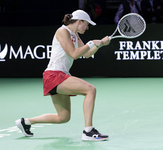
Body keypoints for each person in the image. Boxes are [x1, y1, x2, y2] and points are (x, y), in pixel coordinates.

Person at [15, 9, 110, 141]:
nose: (87, 27)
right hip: (54, 75)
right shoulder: (62, 31)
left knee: (63, 117)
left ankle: (25, 122)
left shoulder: (75, 35)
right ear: (79, 21)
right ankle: (88, 131)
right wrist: (92, 42)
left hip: (59, 75)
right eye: (86, 24)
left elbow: (86, 54)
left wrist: (100, 45)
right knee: (90, 89)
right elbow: (74, 54)